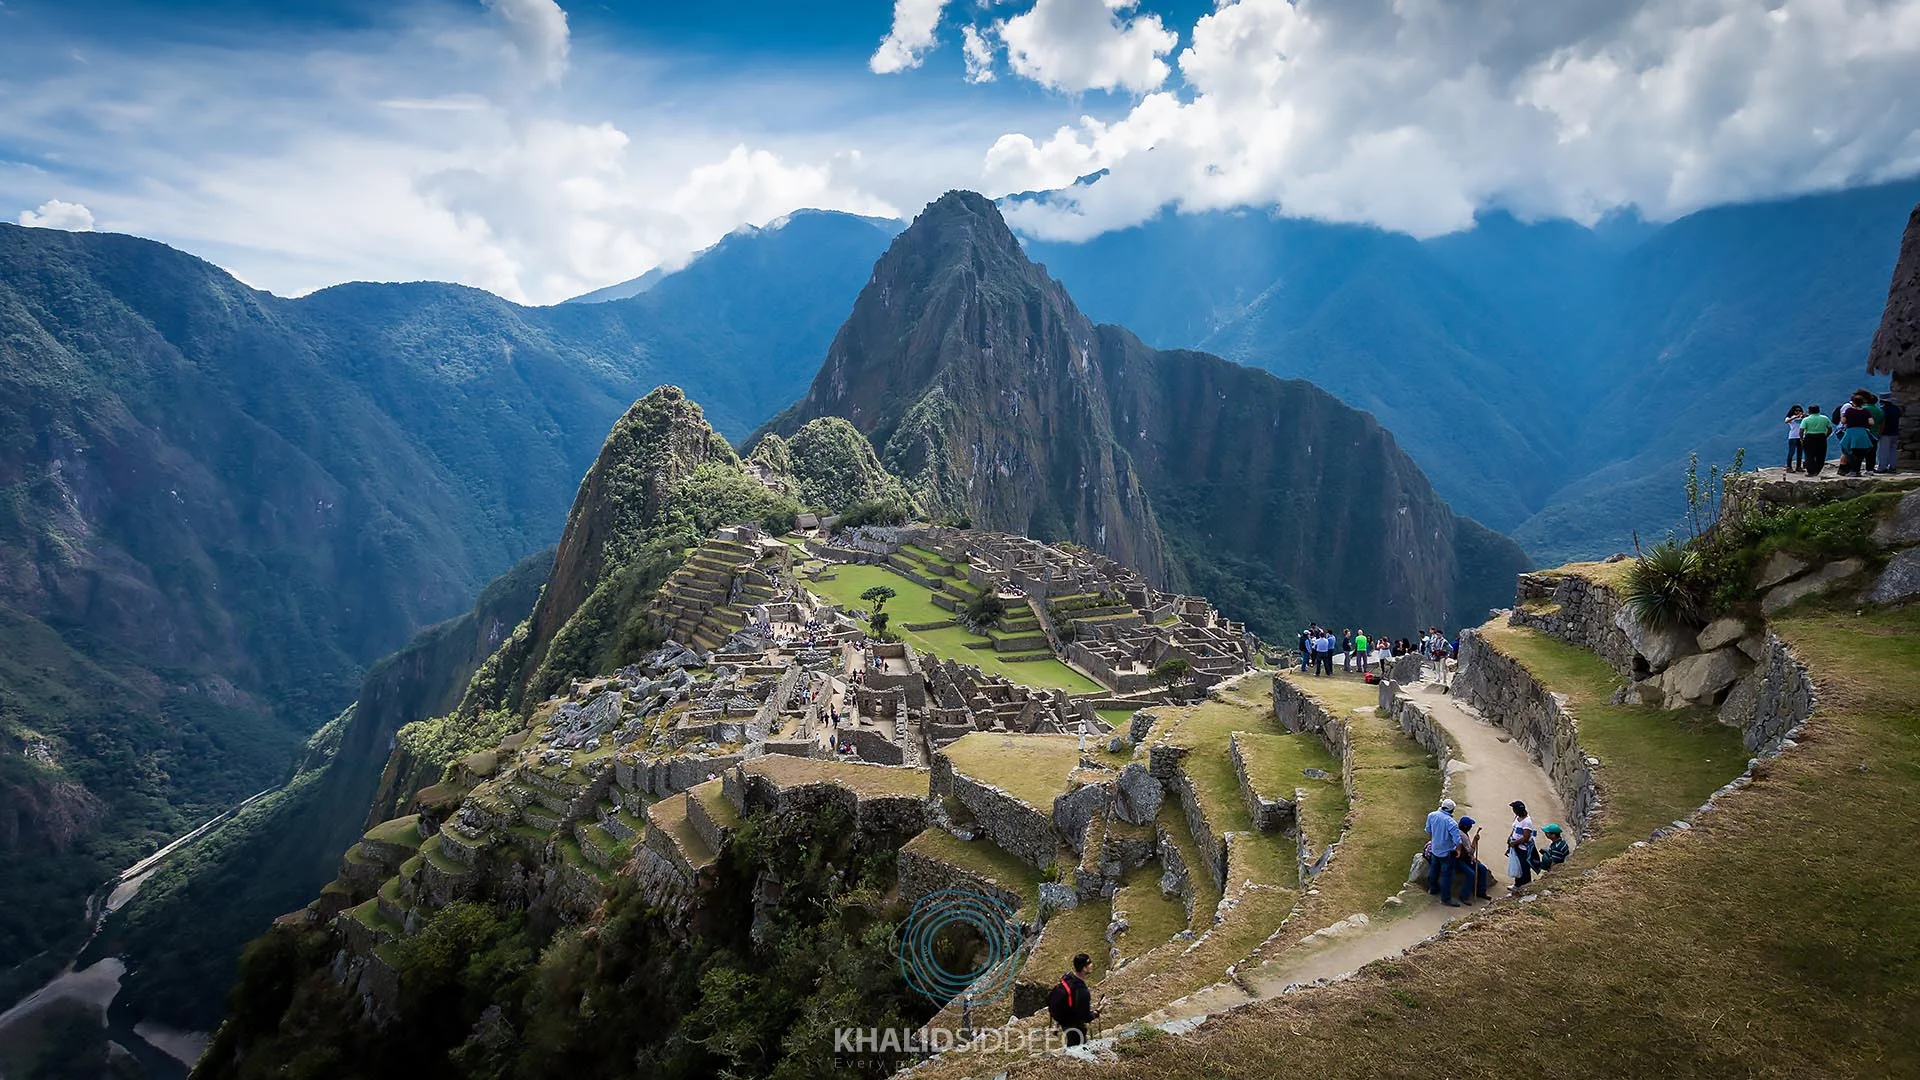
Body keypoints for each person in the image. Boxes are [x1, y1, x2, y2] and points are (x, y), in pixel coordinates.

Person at [1045, 953, 1102, 1046]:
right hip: (1075, 1026)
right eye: (1089, 963)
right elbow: (1086, 1018)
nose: (1092, 964)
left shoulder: (1068, 977)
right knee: (1076, 1047)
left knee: (1071, 1042)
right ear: (1084, 968)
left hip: (1065, 1023)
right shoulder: (1082, 991)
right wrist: (1100, 1009)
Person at [1423, 798, 1466, 907]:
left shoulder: (1432, 815)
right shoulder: (1451, 822)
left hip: (1435, 849)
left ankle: (1433, 889)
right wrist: (1458, 851)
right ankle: (1445, 898)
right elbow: (1457, 841)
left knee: (1434, 870)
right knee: (1447, 876)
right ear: (1452, 810)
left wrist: (1433, 842)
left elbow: (1429, 831)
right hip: (1447, 853)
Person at [1838, 391, 1879, 477]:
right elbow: (1871, 422)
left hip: (1851, 432)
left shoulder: (1849, 410)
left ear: (1853, 402)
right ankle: (1857, 471)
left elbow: (1843, 421)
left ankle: (1852, 470)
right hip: (1862, 433)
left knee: (1850, 452)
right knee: (1860, 452)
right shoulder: (1866, 411)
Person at [1457, 815, 1495, 901]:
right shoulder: (1462, 836)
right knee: (1471, 874)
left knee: (1482, 869)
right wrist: (1474, 840)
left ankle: (1481, 892)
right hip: (1459, 860)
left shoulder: (1462, 833)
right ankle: (1464, 896)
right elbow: (1470, 851)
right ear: (1466, 827)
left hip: (1466, 858)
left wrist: (1472, 857)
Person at [1506, 800, 1537, 894]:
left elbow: (1526, 838)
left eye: (1514, 809)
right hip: (1515, 846)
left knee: (1524, 867)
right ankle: (1517, 884)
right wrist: (1510, 838)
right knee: (1517, 866)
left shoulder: (1527, 822)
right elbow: (1514, 829)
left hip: (1524, 849)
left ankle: (1526, 887)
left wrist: (1515, 842)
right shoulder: (1517, 818)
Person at [1799, 405, 1834, 476]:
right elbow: (1830, 429)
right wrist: (1825, 436)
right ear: (1819, 410)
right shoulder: (1825, 418)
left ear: (1809, 411)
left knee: (1809, 455)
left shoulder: (1806, 419)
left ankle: (1811, 471)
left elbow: (1801, 430)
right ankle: (1817, 470)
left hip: (1809, 437)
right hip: (1821, 437)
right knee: (1821, 455)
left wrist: (1802, 439)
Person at [1876, 393, 1903, 474]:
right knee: (1893, 451)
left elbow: (1881, 422)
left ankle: (1882, 468)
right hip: (1895, 432)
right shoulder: (1896, 409)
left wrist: (1879, 433)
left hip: (1885, 433)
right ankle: (1892, 467)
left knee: (1883, 451)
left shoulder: (1883, 410)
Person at [1784, 405, 1805, 471]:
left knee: (1800, 453)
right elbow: (1786, 421)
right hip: (1793, 437)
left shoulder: (1803, 418)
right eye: (1796, 411)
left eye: (1799, 410)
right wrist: (1795, 417)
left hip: (1801, 436)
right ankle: (1789, 467)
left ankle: (1798, 467)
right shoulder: (1790, 417)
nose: (1798, 412)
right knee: (1791, 452)